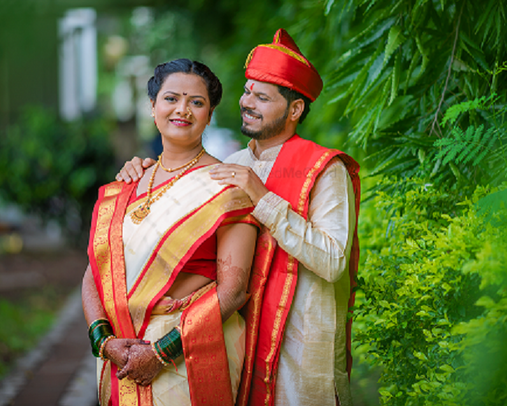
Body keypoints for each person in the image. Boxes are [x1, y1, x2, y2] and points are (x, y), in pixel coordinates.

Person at [117, 29, 361, 406]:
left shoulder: (323, 170)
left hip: (299, 353)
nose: (248, 103)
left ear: (295, 110)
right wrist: (146, 173)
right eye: (247, 91)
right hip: (235, 347)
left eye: (262, 97)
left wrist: (263, 197)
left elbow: (332, 261)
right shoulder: (230, 166)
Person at [82, 58, 259, 406]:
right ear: (152, 107)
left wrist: (163, 352)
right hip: (121, 348)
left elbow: (234, 291)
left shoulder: (227, 186)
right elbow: (96, 271)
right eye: (171, 98)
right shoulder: (128, 184)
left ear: (209, 115)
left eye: (197, 102)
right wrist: (103, 340)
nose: (183, 110)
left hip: (190, 353)